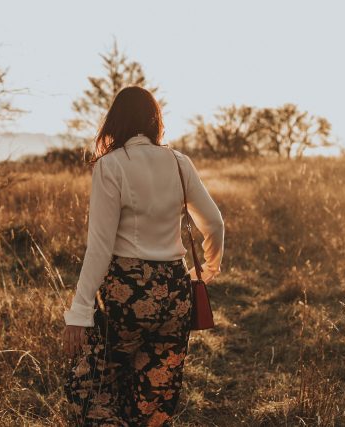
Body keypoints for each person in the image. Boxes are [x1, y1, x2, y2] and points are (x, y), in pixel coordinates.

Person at [62, 86, 225, 426]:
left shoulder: (111, 165)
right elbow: (214, 223)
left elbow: (100, 247)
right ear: (155, 121)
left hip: (127, 291)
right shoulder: (181, 164)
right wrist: (209, 267)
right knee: (155, 396)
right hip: (175, 291)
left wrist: (79, 310)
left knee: (93, 388)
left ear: (116, 121)